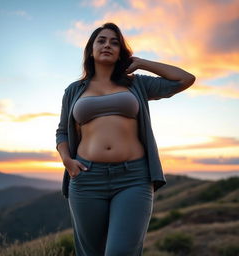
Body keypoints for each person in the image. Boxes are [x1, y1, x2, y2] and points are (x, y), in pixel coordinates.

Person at [56, 22, 195, 256]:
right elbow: (62, 131)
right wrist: (67, 159)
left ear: (122, 52)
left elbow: (185, 79)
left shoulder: (137, 83)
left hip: (133, 178)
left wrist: (141, 63)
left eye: (115, 42)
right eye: (101, 40)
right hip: (87, 179)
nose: (108, 45)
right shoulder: (74, 90)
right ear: (91, 49)